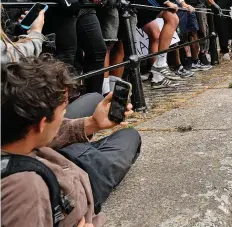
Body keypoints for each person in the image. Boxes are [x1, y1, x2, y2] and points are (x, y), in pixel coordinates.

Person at [1, 55, 141, 227]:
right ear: (41, 124)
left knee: (94, 97)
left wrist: (92, 123)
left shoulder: (14, 130)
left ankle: (84, 138)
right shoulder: (26, 189)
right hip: (77, 185)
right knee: (129, 136)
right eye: (63, 110)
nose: (65, 114)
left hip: (50, 157)